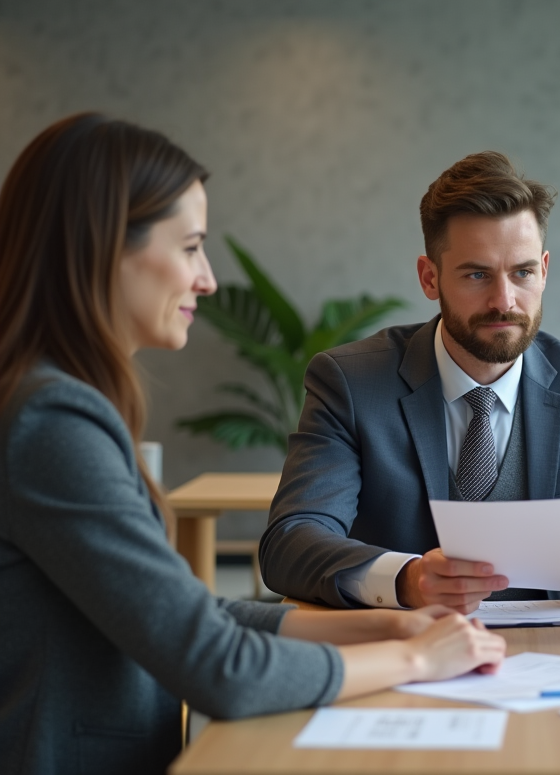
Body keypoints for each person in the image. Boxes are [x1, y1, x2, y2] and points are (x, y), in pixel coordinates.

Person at [0, 114, 506, 775]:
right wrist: (417, 659)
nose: (207, 279)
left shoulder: (49, 401)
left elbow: (188, 614)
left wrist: (385, 624)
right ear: (101, 248)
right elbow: (218, 668)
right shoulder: (51, 420)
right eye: (189, 247)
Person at [259, 151, 560, 613]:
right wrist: (406, 579)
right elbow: (291, 543)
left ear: (545, 270)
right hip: (404, 650)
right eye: (477, 274)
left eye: (522, 272)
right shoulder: (352, 384)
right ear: (429, 277)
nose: (504, 301)